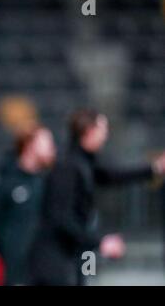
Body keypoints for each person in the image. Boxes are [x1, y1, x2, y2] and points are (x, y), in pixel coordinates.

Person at [28, 109, 165, 286]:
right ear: (88, 131)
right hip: (54, 263)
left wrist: (154, 169)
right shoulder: (68, 167)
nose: (105, 135)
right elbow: (61, 217)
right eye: (102, 129)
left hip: (70, 258)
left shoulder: (84, 163)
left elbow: (112, 175)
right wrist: (100, 242)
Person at [0, 125, 56, 285]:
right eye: (47, 143)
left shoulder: (47, 182)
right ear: (30, 145)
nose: (52, 148)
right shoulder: (7, 180)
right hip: (14, 271)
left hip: (43, 270)